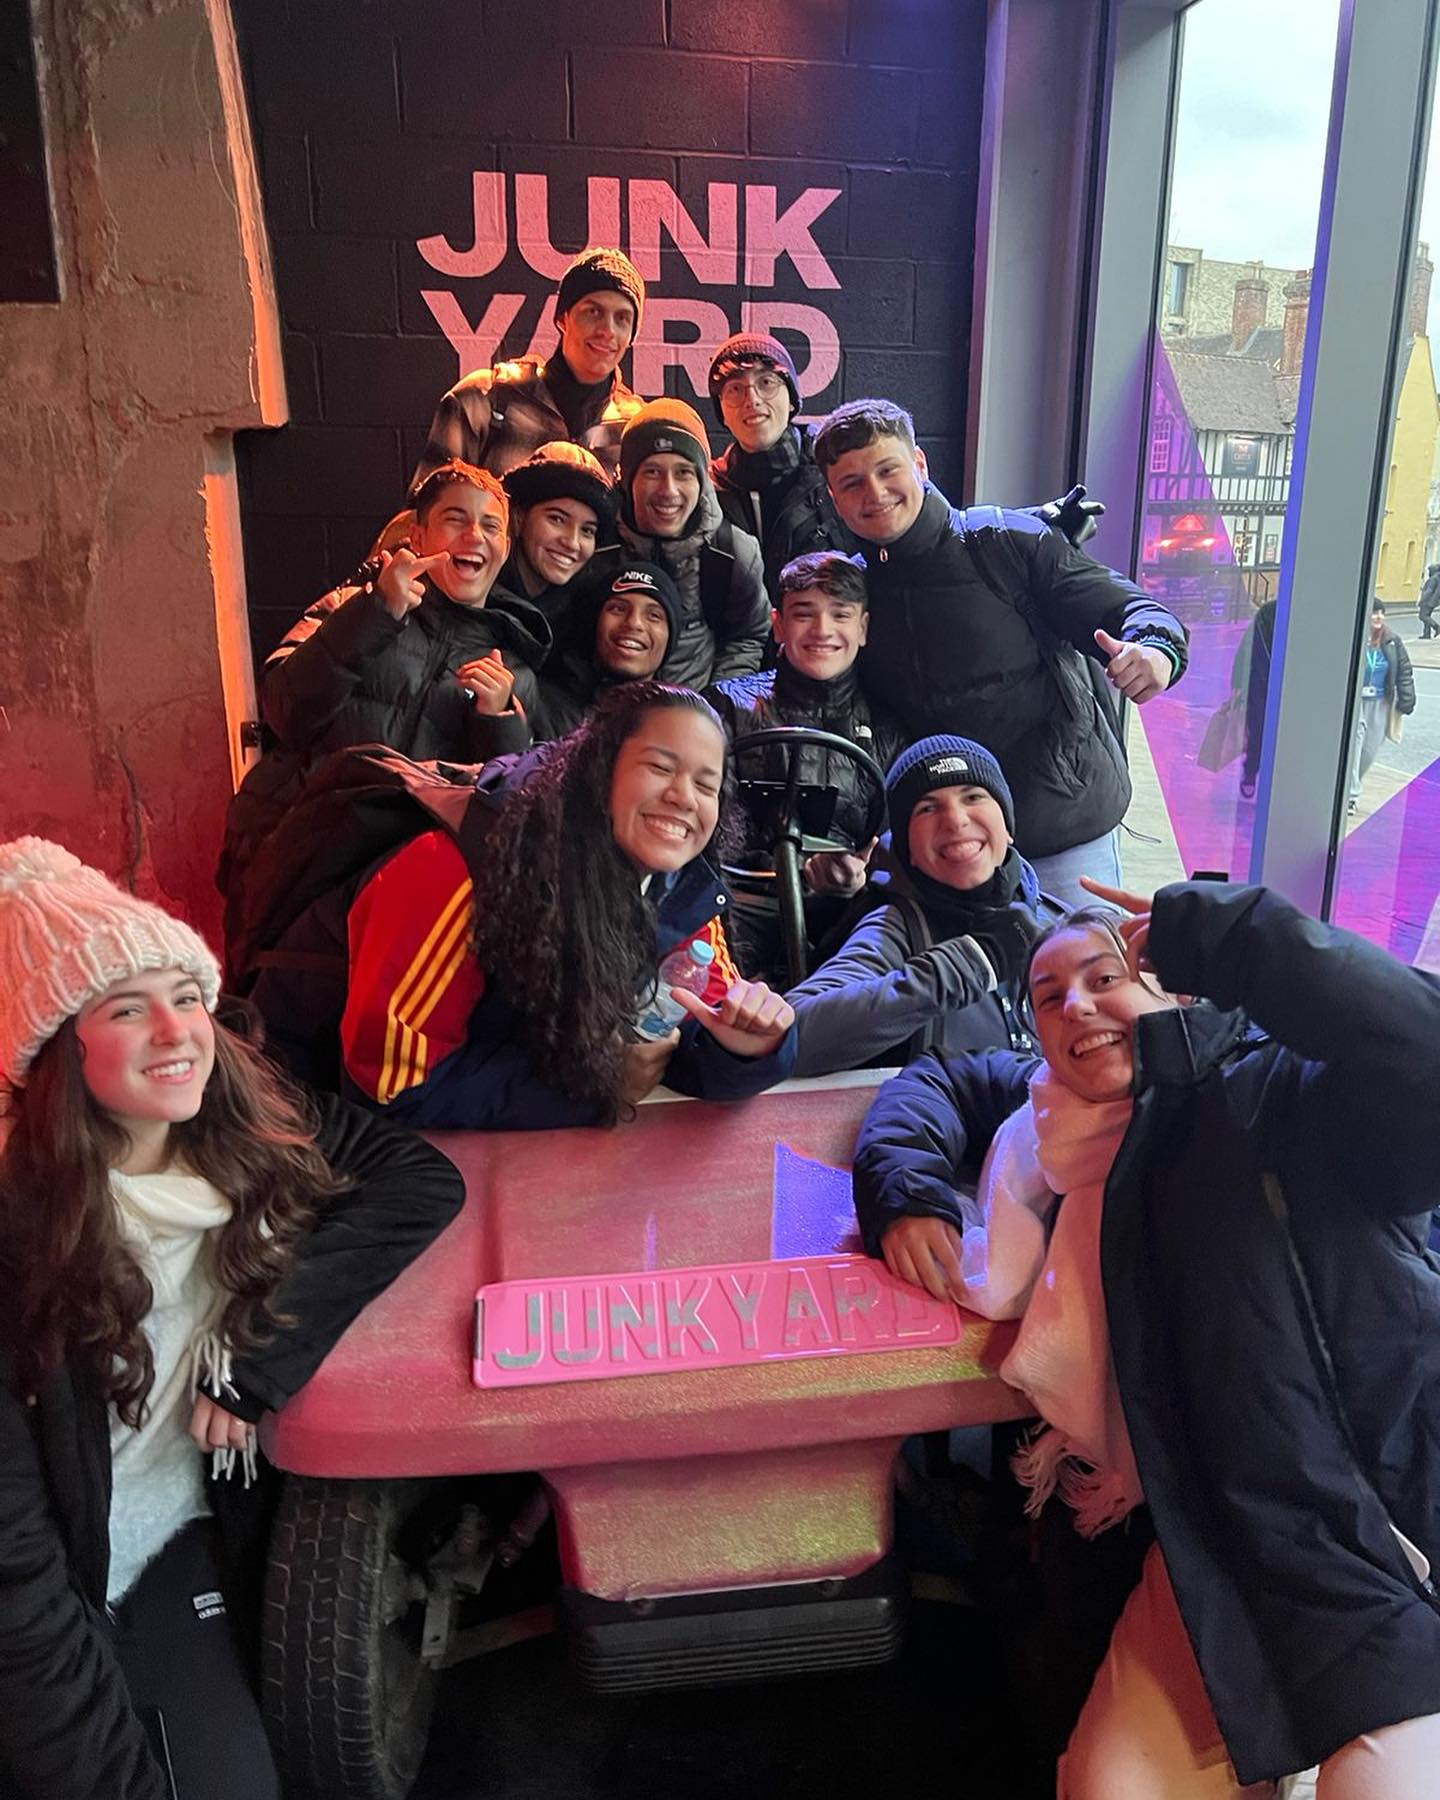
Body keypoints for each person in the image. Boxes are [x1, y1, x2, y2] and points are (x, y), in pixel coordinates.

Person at [854, 880, 1440, 1795]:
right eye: (1051, 998)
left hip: (1388, 1544)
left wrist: (1238, 938)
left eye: (1105, 976)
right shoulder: (1054, 1124)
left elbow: (1423, 1055)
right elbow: (935, 1081)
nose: (1079, 1006)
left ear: (1176, 990)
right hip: (1209, 1548)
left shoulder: (1291, 1099)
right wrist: (906, 1194)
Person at [0, 838, 464, 1800]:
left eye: (186, 994)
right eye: (128, 1008)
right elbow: (21, 1580)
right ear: (56, 1050)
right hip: (62, 1592)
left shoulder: (233, 1121)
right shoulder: (20, 1245)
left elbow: (418, 1180)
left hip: (176, 1538)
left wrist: (257, 1357)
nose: (176, 1031)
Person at [337, 682, 797, 1128]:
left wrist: (748, 1049)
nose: (683, 796)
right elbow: (390, 1083)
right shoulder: (453, 868)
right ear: (600, 770)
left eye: (706, 784)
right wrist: (593, 1088)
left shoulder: (682, 888)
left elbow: (682, 1039)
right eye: (659, 767)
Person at [813, 398, 1189, 906]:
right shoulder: (850, 591)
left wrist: (1156, 650)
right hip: (946, 852)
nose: (875, 493)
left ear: (920, 465)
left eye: (888, 470)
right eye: (853, 483)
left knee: (1082, 982)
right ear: (835, 499)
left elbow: (1130, 609)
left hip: (1061, 831)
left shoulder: (1008, 542)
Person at [217, 461, 548, 962]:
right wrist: (374, 614)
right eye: (456, 518)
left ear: (504, 549)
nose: (474, 534)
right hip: (292, 859)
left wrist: (499, 723)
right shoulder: (349, 604)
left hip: (400, 889)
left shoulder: (514, 671)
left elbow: (501, 819)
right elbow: (285, 712)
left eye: (492, 525)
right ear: (419, 534)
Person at [787, 736, 1061, 1075]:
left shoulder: (1058, 919)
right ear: (908, 852)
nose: (955, 820)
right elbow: (790, 1037)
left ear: (1008, 828)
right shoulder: (895, 929)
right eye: (928, 808)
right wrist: (973, 962)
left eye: (974, 796)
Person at [708, 551, 907, 980]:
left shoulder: (888, 728)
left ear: (863, 628)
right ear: (778, 624)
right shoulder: (727, 706)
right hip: (738, 905)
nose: (822, 631)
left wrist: (859, 878)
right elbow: (704, 814)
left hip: (846, 918)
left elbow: (896, 846)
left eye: (840, 615)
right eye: (804, 614)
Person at [410, 245, 646, 487]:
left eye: (622, 318)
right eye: (593, 311)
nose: (608, 330)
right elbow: (426, 514)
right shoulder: (483, 400)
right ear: (563, 318)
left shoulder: (636, 427)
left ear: (632, 334)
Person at [599, 397, 770, 689]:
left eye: (683, 473)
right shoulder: (597, 544)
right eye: (652, 471)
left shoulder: (732, 551)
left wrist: (717, 708)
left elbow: (748, 635)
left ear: (702, 481)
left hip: (697, 719)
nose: (669, 490)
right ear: (628, 479)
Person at [707, 332, 853, 602]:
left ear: (792, 400)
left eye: (766, 382)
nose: (752, 400)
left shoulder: (835, 471)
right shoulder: (708, 491)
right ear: (722, 412)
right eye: (735, 389)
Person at [477, 562, 682, 753]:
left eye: (654, 615)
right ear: (595, 622)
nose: (634, 623)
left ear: (670, 638)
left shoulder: (679, 726)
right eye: (618, 608)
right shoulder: (538, 701)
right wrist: (501, 723)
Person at [499, 439, 619, 639]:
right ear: (519, 517)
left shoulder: (585, 626)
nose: (572, 543)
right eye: (557, 519)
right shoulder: (471, 590)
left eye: (587, 531)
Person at [1349, 599, 1416, 811]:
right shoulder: (1356, 637)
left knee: (1368, 752)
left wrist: (1407, 698)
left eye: (1381, 612)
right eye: (1374, 612)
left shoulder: (1392, 641)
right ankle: (1350, 795)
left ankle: (1347, 784)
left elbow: (1404, 671)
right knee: (1355, 745)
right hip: (1356, 701)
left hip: (1379, 702)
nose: (1378, 617)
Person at [1230, 594, 1277, 800]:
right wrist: (1239, 684)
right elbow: (1248, 648)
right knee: (1258, 733)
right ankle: (1250, 772)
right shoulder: (1268, 613)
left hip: (1286, 687)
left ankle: (1270, 780)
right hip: (1261, 685)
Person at [1418, 564, 1439, 640]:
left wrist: (1422, 600)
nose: (1429, 572)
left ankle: (1436, 627)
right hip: (1434, 601)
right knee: (1427, 616)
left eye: (1429, 570)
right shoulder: (1437, 578)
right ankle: (1426, 634)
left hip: (1428, 600)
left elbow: (1429, 591)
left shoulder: (1433, 579)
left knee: (1423, 616)